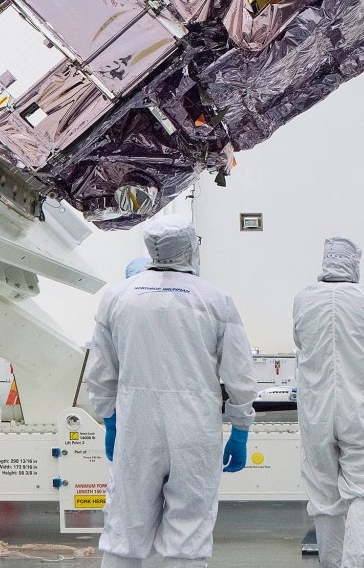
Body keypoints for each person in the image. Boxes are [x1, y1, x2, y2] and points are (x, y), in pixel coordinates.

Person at [86, 219, 255, 568]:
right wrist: (241, 426)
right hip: (195, 429)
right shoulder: (215, 299)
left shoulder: (117, 297)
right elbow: (238, 373)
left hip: (136, 427)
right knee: (188, 535)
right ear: (191, 246)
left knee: (123, 534)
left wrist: (110, 418)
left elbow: (101, 372)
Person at [294, 236, 364, 568]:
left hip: (316, 412)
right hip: (363, 409)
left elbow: (300, 342)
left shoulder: (303, 299)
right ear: (354, 262)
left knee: (324, 497)